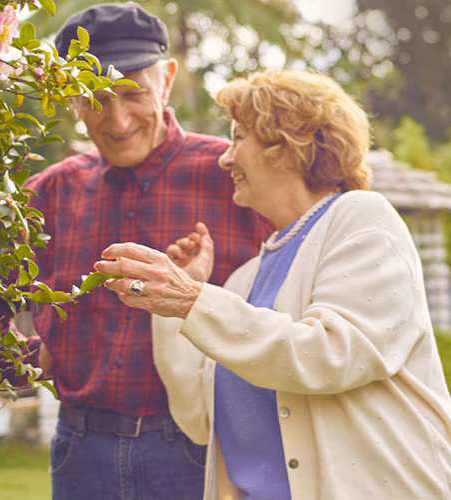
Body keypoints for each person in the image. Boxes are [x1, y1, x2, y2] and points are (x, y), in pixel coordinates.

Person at [94, 68, 451, 499]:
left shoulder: (363, 219)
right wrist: (173, 304)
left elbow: (330, 354)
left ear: (287, 145)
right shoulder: (244, 279)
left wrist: (190, 299)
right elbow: (197, 418)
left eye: (239, 137)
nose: (225, 158)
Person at [19, 3, 272, 500]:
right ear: (72, 100)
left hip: (202, 448)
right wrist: (32, 358)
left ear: (167, 79)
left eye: (133, 92)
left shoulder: (234, 176)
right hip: (80, 451)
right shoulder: (47, 193)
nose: (117, 120)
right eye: (96, 98)